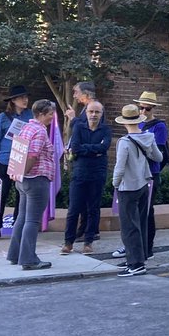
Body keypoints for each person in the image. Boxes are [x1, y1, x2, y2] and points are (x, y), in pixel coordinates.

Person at [6, 99, 58, 271]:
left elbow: (18, 150)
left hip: (23, 181)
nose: (52, 117)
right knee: (32, 220)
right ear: (41, 114)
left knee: (22, 217)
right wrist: (22, 173)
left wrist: (17, 174)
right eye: (50, 114)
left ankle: (15, 254)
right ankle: (29, 259)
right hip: (36, 178)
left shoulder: (26, 127)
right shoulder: (40, 131)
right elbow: (33, 155)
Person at [112, 104, 163, 276]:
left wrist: (114, 183)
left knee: (129, 227)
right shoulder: (149, 137)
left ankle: (135, 264)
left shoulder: (124, 142)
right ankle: (138, 258)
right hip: (144, 184)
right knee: (140, 223)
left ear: (124, 122)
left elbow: (119, 168)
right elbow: (159, 157)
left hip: (128, 187)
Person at [61, 101, 110, 255]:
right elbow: (75, 147)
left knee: (93, 209)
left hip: (97, 173)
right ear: (86, 113)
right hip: (80, 173)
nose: (94, 115)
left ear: (102, 114)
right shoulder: (79, 127)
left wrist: (85, 148)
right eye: (91, 112)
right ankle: (68, 243)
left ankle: (88, 242)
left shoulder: (106, 130)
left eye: (97, 112)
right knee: (74, 209)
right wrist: (94, 150)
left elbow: (104, 147)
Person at [0, 85, 31, 242]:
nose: (25, 100)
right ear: (13, 100)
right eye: (21, 97)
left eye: (26, 97)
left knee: (21, 195)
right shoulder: (2, 118)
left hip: (22, 160)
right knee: (0, 196)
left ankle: (18, 228)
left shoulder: (30, 116)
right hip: (4, 160)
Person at [137, 91, 169, 259]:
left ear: (153, 109)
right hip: (137, 174)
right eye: (141, 108)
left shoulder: (159, 126)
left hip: (151, 173)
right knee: (137, 212)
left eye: (146, 109)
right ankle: (137, 245)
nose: (143, 112)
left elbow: (159, 151)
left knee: (148, 212)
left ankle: (148, 248)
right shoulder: (138, 125)